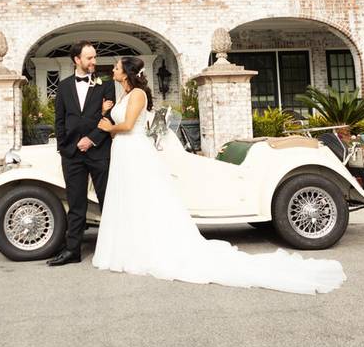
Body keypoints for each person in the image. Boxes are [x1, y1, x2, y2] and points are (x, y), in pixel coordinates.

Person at [93, 56, 346, 294]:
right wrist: (109, 119)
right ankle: (132, 245)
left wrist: (108, 127)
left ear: (126, 72)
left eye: (115, 67)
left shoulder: (137, 94)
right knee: (129, 199)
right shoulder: (125, 94)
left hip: (135, 150)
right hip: (125, 150)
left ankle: (148, 247)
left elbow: (127, 126)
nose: (113, 70)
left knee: (142, 198)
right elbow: (124, 128)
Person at [47, 41, 116, 266]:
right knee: (76, 204)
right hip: (72, 154)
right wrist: (65, 148)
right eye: (89, 58)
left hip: (98, 151)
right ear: (77, 60)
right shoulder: (64, 86)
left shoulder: (105, 85)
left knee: (107, 200)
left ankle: (113, 247)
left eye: (94, 57)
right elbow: (59, 120)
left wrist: (92, 140)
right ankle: (72, 250)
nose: (94, 61)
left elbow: (109, 119)